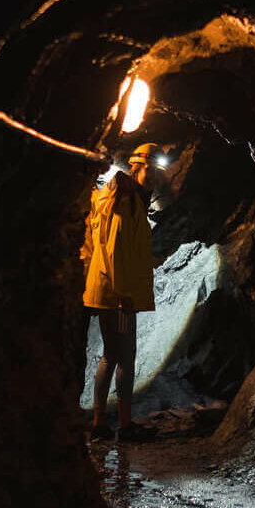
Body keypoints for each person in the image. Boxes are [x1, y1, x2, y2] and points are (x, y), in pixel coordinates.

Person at [81, 142, 161, 441]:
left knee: (112, 354)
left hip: (110, 291)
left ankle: (101, 424)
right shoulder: (123, 199)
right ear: (136, 166)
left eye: (156, 172)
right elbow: (113, 249)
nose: (153, 177)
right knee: (124, 356)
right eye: (150, 170)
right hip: (118, 295)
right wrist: (123, 294)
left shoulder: (128, 197)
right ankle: (123, 427)